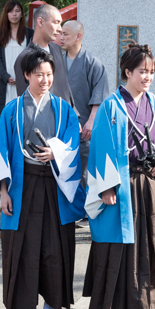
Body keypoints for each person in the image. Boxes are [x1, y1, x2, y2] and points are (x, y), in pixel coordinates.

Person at [83, 44, 155, 309]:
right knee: (117, 243)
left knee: (148, 242)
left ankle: (145, 307)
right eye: (142, 71)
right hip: (119, 183)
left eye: (151, 72)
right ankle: (111, 306)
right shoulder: (111, 106)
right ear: (127, 71)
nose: (147, 77)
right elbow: (100, 147)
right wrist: (105, 186)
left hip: (147, 182)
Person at [0, 49, 86, 309]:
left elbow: (72, 143)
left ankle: (52, 304)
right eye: (38, 75)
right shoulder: (12, 110)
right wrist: (4, 191)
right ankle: (20, 305)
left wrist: (56, 152)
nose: (44, 80)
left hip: (55, 185)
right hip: (23, 183)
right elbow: (1, 152)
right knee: (22, 244)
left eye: (48, 75)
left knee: (53, 245)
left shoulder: (63, 108)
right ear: (26, 75)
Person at [59, 20, 109, 189]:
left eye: (65, 34)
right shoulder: (56, 61)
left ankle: (85, 212)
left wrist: (91, 121)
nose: (61, 37)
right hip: (60, 126)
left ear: (78, 36)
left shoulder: (92, 63)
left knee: (84, 172)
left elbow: (100, 95)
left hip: (83, 126)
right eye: (60, 33)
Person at [11, 5, 74, 107]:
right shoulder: (24, 58)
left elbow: (65, 86)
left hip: (65, 115)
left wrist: (74, 116)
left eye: (60, 24)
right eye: (56, 22)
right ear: (40, 22)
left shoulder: (57, 49)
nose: (60, 29)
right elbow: (26, 101)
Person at [0, 0, 29, 114]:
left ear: (22, 14)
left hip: (24, 80)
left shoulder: (29, 34)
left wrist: (24, 76)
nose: (14, 14)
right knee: (6, 115)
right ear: (6, 14)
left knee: (23, 113)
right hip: (5, 81)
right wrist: (6, 76)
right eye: (11, 11)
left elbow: (32, 57)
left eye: (17, 11)